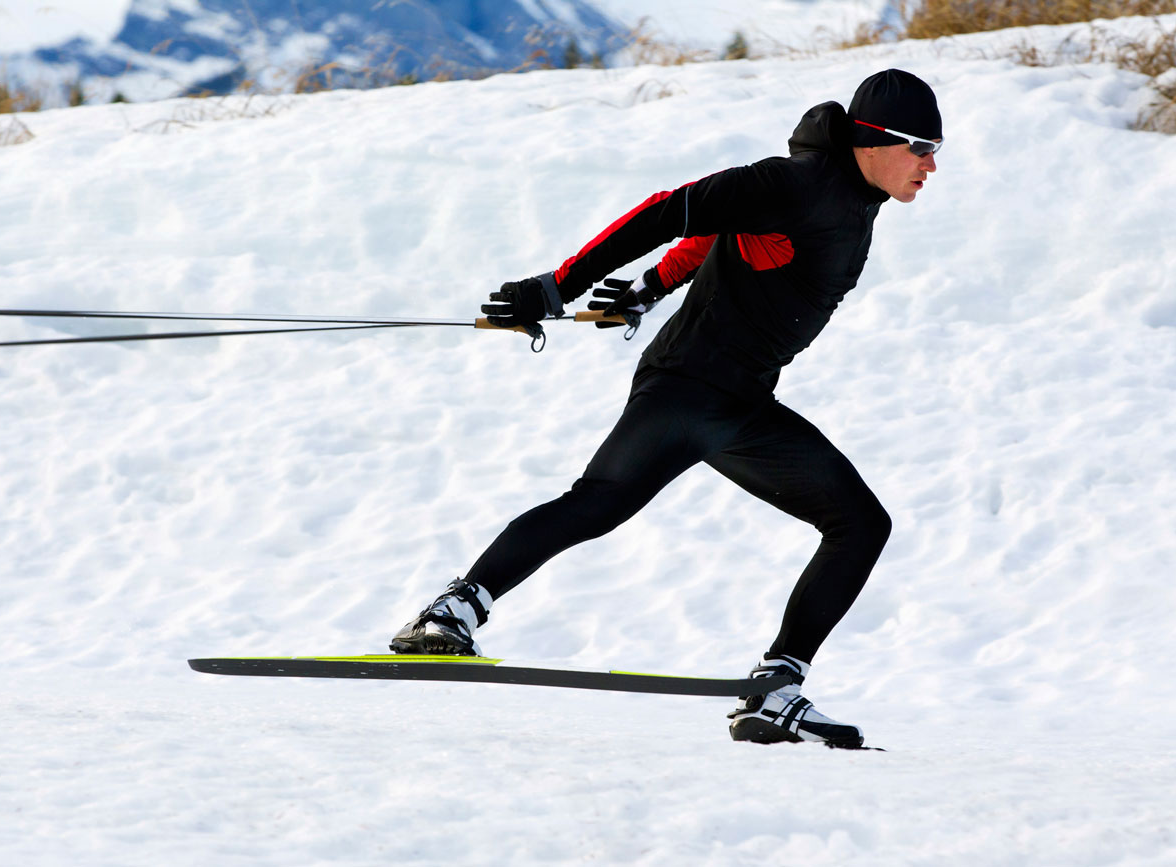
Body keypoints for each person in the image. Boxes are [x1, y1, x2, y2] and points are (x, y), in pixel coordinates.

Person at [390, 69, 942, 748]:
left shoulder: (858, 198)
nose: (931, 163)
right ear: (872, 140)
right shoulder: (792, 182)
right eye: (921, 146)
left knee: (860, 523)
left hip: (742, 405)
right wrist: (557, 286)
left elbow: (720, 236)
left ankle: (776, 689)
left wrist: (652, 285)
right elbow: (673, 208)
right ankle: (449, 613)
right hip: (684, 389)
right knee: (594, 506)